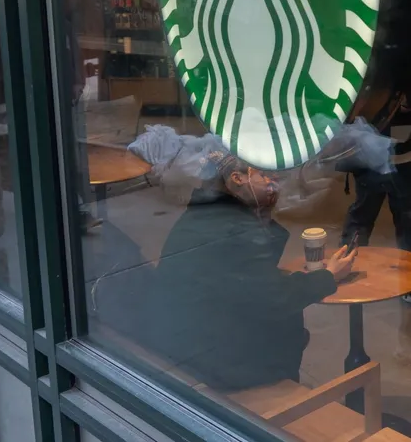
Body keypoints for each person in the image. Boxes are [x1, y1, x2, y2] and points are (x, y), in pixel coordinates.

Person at [119, 153, 358, 392]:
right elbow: (274, 298)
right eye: (264, 174)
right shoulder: (233, 228)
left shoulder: (206, 213)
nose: (274, 181)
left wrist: (262, 216)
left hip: (181, 341)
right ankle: (278, 391)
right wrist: (328, 277)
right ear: (237, 178)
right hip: (210, 360)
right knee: (290, 325)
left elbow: (247, 279)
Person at [341, 97, 411, 311]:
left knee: (409, 222)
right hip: (371, 156)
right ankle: (344, 271)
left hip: (407, 156)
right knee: (362, 218)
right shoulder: (379, 70)